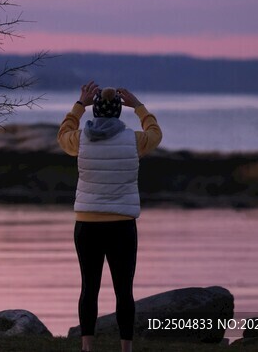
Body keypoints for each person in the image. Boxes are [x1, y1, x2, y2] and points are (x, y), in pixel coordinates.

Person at [57, 81, 162, 352]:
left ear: (95, 111)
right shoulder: (134, 140)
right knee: (124, 291)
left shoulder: (80, 139)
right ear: (118, 111)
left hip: (87, 225)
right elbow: (155, 133)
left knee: (89, 288)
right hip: (122, 225)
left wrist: (79, 104)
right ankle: (126, 348)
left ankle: (87, 347)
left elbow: (62, 133)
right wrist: (138, 106)